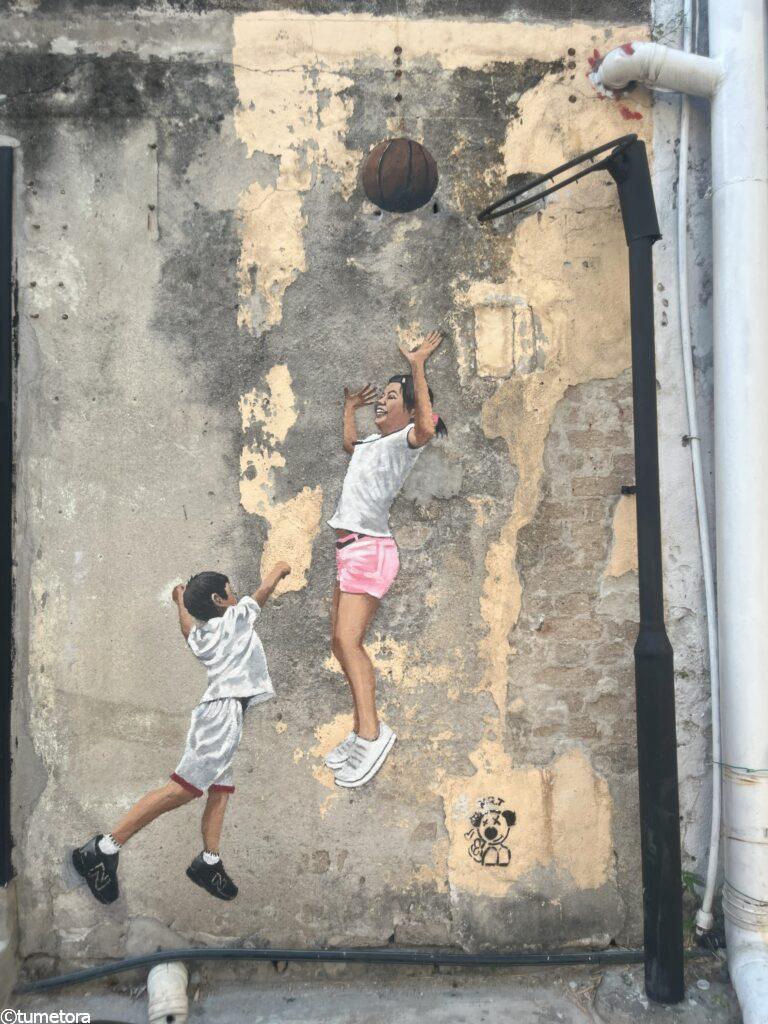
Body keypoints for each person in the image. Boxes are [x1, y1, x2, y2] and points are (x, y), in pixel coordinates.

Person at [72, 562, 291, 903]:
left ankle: (209, 861)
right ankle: (102, 849)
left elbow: (187, 631)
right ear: (220, 599)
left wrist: (179, 602)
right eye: (231, 591)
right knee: (182, 790)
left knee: (220, 789)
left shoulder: (204, 636)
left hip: (223, 713)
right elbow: (261, 594)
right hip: (223, 714)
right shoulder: (235, 620)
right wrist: (278, 570)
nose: (235, 596)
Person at [325, 331, 446, 789]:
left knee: (349, 642)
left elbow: (428, 427)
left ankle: (373, 735)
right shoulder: (374, 446)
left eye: (392, 398)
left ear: (409, 409)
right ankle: (360, 733)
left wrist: (417, 366)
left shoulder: (403, 443)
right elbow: (349, 446)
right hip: (350, 550)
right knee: (340, 643)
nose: (383, 402)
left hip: (370, 550)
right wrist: (348, 410)